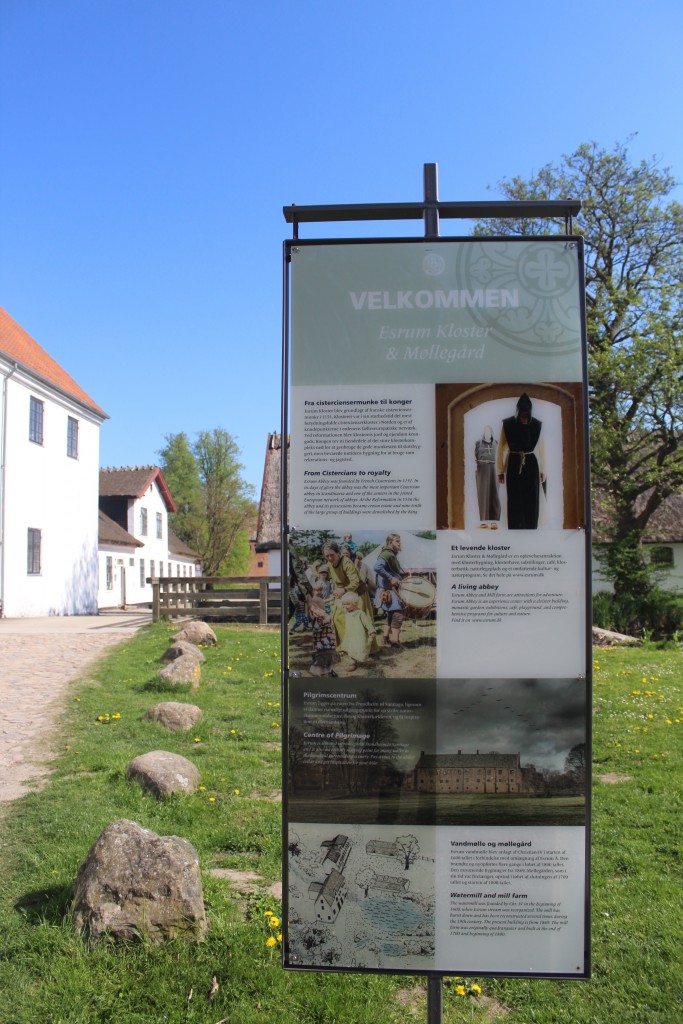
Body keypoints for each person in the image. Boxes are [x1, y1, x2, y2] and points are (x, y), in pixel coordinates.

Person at [497, 393, 546, 529]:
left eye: (527, 416)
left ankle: (531, 529)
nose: (524, 419)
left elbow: (541, 449)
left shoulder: (536, 425)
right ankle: (515, 529)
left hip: (531, 464)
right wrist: (500, 470)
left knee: (531, 500)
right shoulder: (507, 424)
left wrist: (543, 470)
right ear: (518, 413)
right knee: (514, 499)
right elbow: (501, 447)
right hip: (513, 463)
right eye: (522, 415)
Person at [322, 541, 374, 648]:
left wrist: (344, 590)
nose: (330, 558)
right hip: (344, 595)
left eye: (332, 555)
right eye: (327, 556)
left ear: (338, 553)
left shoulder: (346, 562)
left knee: (359, 622)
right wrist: (336, 592)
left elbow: (355, 582)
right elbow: (336, 582)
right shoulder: (329, 565)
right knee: (337, 618)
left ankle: (364, 648)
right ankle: (346, 646)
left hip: (357, 594)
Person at [373, 533, 407, 647]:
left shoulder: (391, 554)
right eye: (397, 541)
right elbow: (377, 567)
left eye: (399, 540)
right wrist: (390, 578)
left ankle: (385, 639)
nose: (399, 543)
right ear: (389, 542)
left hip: (389, 589)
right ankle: (395, 642)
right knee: (398, 615)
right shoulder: (387, 553)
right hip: (389, 590)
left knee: (391, 615)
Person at [340, 591, 377, 670]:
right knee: (351, 649)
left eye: (348, 604)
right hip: (350, 635)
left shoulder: (360, 613)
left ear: (355, 603)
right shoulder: (347, 612)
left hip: (358, 636)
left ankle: (353, 663)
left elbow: (367, 623)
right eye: (344, 604)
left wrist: (372, 631)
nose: (346, 606)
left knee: (358, 649)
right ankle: (353, 662)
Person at [474, 425, 501, 528]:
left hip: (494, 470)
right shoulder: (478, 444)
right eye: (485, 431)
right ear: (483, 433)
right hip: (482, 470)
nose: (487, 433)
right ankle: (484, 521)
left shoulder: (497, 443)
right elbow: (474, 457)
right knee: (483, 495)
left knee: (494, 495)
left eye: (489, 431)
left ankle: (494, 521)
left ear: (492, 433)